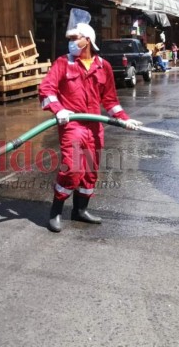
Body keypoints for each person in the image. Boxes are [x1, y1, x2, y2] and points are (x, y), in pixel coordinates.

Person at [39, 22, 143, 233]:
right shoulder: (63, 63)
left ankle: (80, 210)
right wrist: (58, 109)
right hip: (73, 125)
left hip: (95, 127)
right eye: (69, 39)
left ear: (87, 39)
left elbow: (110, 100)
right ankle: (56, 212)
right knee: (73, 168)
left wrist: (124, 119)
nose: (71, 43)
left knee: (89, 172)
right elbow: (46, 89)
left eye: (74, 38)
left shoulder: (103, 66)